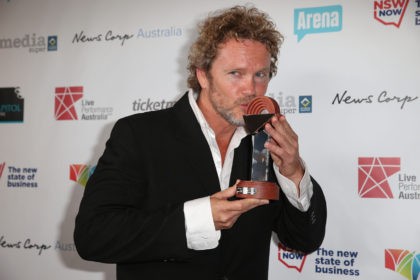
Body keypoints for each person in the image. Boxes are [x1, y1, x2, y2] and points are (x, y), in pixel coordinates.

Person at [74, 5, 327, 280]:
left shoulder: (267, 143)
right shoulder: (139, 135)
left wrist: (293, 173)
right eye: (235, 74)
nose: (251, 90)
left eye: (261, 75)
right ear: (203, 75)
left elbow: (304, 240)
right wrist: (199, 219)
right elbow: (93, 236)